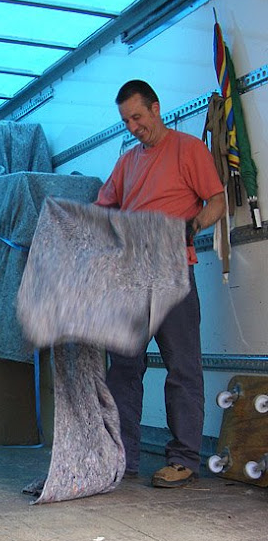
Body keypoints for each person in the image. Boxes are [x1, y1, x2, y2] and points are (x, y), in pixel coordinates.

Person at [95, 80, 226, 488]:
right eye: (126, 121)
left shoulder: (189, 149)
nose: (133, 127)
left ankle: (184, 458)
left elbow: (217, 201)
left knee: (182, 367)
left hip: (172, 273)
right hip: (131, 278)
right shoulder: (127, 163)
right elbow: (103, 209)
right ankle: (123, 458)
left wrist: (194, 224)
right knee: (123, 369)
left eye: (137, 117)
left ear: (156, 108)